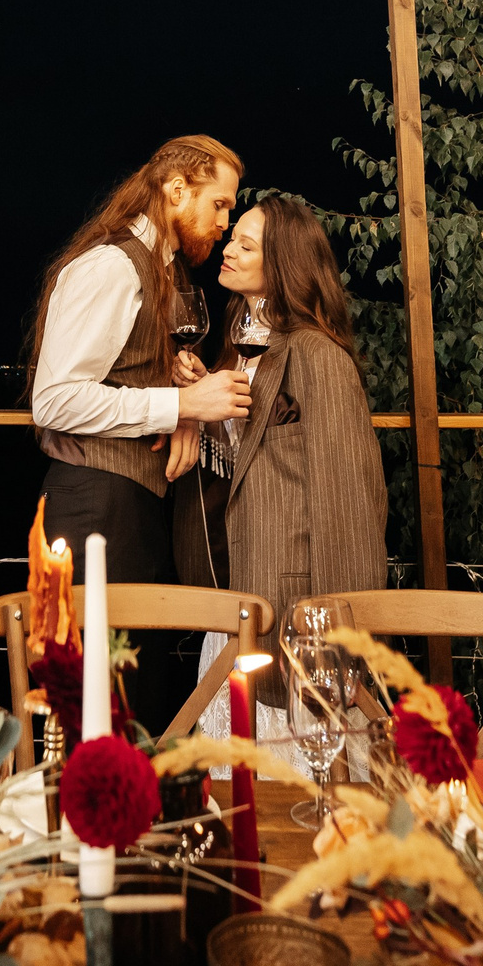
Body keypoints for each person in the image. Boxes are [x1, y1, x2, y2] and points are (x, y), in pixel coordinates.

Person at [173, 194, 385, 702]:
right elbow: (251, 457)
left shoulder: (317, 355)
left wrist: (340, 641)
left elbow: (350, 510)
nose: (228, 249)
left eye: (246, 246)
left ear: (283, 265)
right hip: (238, 596)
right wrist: (209, 398)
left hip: (294, 612)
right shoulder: (238, 345)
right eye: (232, 239)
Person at [29, 135, 253, 585]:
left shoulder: (163, 268)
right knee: (94, 657)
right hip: (94, 506)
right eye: (219, 204)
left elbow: (123, 373)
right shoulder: (111, 265)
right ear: (176, 192)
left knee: (135, 656)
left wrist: (180, 400)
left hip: (132, 504)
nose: (225, 222)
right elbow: (54, 401)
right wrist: (183, 407)